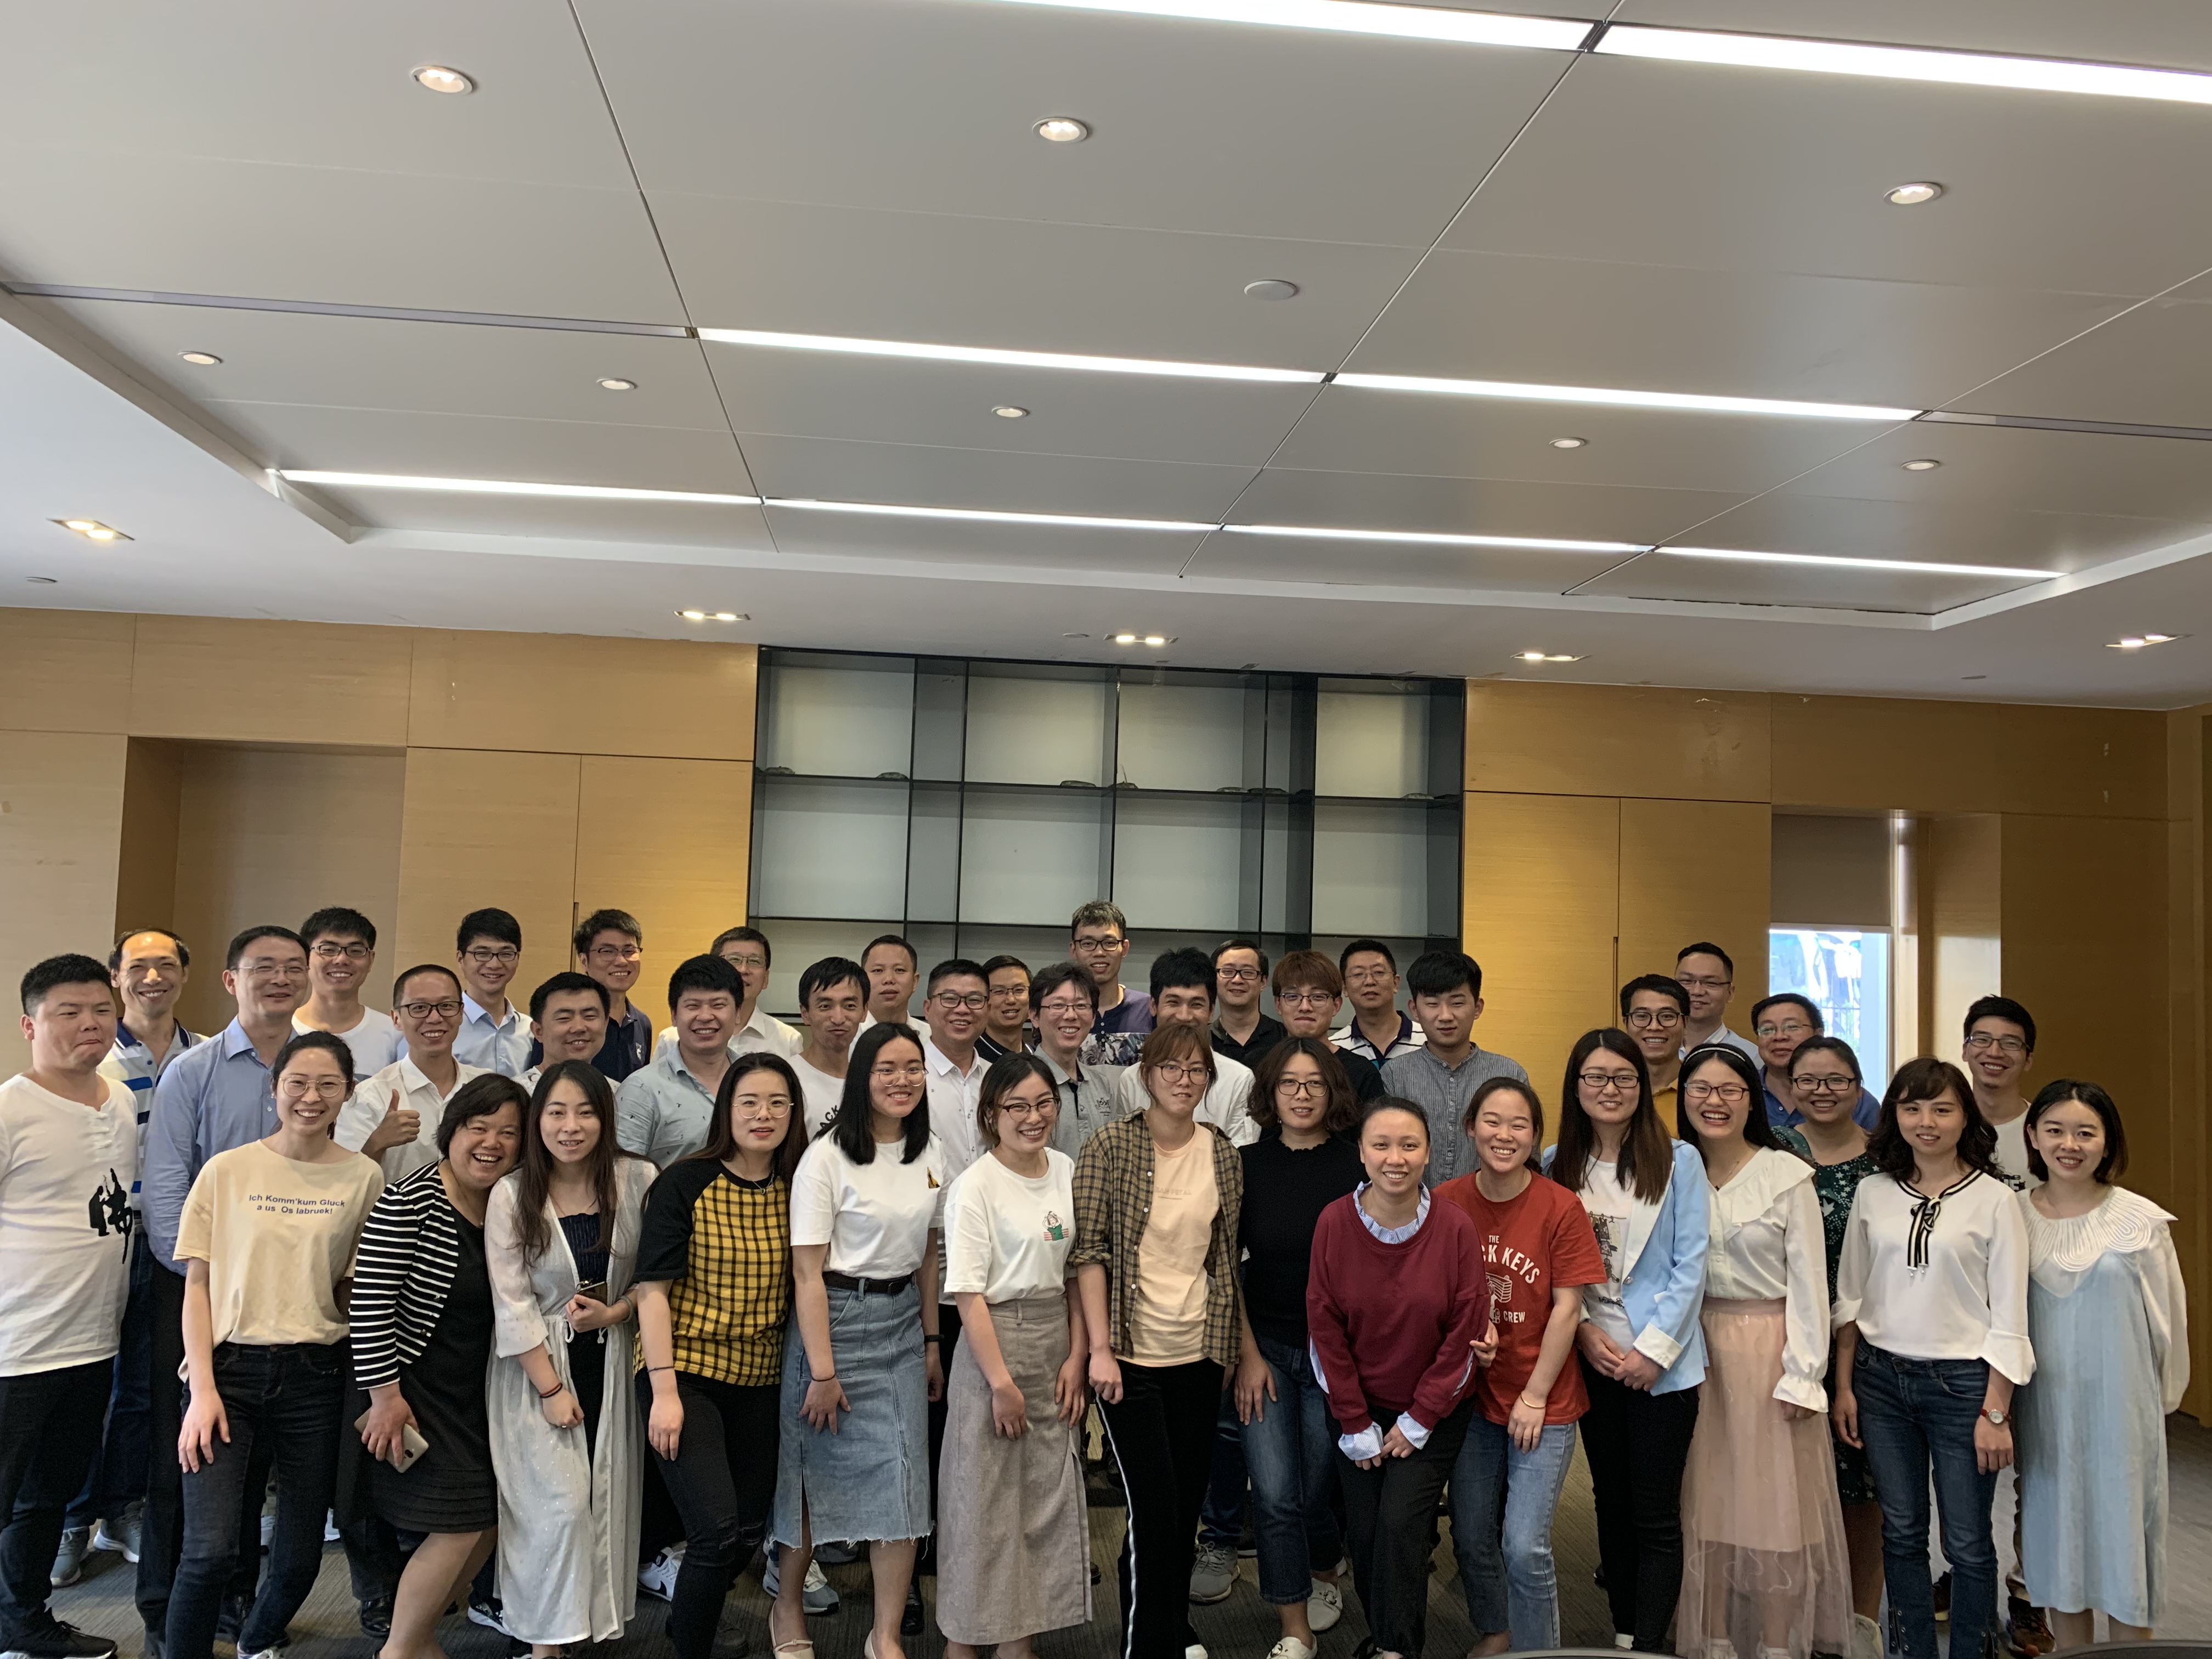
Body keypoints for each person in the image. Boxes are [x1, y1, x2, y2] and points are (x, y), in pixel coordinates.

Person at [166, 1030, 384, 1659]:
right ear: (274, 1088)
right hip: (227, 1372)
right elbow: (197, 1287)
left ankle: (256, 1641)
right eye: (298, 1083)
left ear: (347, 1094)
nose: (311, 1097)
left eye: (328, 1085)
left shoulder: (363, 1176)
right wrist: (201, 1390)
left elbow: (355, 1288)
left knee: (299, 1556)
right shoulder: (227, 1171)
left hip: (316, 1375)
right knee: (208, 1553)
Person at [139, 924, 314, 1655]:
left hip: (286, 1303)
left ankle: (236, 1600)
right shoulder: (195, 1070)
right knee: (181, 1455)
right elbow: (166, 1189)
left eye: (293, 967)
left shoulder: (318, 1067)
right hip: (197, 1292)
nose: (280, 979)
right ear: (229, 979)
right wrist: (208, 1283)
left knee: (252, 1461)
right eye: (263, 967)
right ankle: (161, 1609)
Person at [1831, 1058, 2033, 1659]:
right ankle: (1911, 1650)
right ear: (1893, 1115)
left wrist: (1996, 1410)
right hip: (1880, 1383)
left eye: (1942, 1109)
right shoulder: (1873, 1191)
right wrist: (1844, 1387)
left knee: (1968, 1542)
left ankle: (1972, 1650)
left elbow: (2010, 1315)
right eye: (1912, 1108)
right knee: (1901, 1533)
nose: (1927, 1121)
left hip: (1964, 1387)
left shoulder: (1996, 1199)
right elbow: (1851, 1298)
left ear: (1965, 1117)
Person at [771, 1022, 946, 1659]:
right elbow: (806, 1272)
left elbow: (928, 1253)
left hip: (901, 1325)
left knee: (903, 1478)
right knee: (810, 1474)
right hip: (835, 1321)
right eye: (886, 1069)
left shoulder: (930, 1151)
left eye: (912, 1068)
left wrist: (931, 1341)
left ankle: (885, 1634)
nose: (902, 1081)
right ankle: (787, 1606)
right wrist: (823, 1371)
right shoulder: (827, 1156)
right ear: (861, 1079)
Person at [1673, 1043, 1851, 1659]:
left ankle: (1777, 1644)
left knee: (1775, 1509)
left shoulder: (1785, 1174)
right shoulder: (1674, 1169)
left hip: (1770, 1349)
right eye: (1701, 1089)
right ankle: (1713, 1638)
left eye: (1730, 1090)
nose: (1714, 1102)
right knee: (1706, 1500)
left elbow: (1810, 1286)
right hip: (1692, 1352)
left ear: (1754, 1099)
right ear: (1683, 1097)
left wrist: (1804, 1374)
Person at [1073, 1023, 1244, 1659]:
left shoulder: (1222, 1152)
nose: (1183, 1080)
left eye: (1196, 1070)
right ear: (1146, 1076)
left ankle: (1170, 1630)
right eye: (1170, 1068)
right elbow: (1088, 1252)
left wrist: (1233, 1349)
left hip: (1199, 1353)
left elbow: (1225, 1258)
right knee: (1153, 1509)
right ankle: (1149, 1648)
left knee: (1183, 1507)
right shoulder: (1109, 1145)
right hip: (1128, 1357)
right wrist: (1098, 1350)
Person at [635, 1053, 808, 1659]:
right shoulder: (685, 1182)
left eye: (778, 1103)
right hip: (685, 1373)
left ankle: (690, 1618)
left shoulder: (801, 1187)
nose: (764, 1115)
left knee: (750, 1531)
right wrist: (664, 1393)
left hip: (761, 1377)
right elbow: (651, 1292)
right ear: (726, 1110)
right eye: (749, 1102)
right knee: (715, 1531)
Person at [347, 1076, 526, 1659]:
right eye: (479, 1128)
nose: (492, 1143)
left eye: (508, 1133)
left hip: (474, 1388)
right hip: (415, 1389)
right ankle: (401, 1649)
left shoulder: (506, 1202)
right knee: (461, 1521)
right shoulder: (412, 1200)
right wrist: (384, 1397)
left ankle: (420, 1637)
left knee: (492, 1517)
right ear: (451, 1132)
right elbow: (369, 1303)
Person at [1548, 1027, 1711, 1654]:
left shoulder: (1679, 1160)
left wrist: (1653, 1352)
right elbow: (1559, 1270)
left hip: (1662, 1365)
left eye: (1624, 1077)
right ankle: (1622, 1630)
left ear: (1643, 1087)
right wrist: (1585, 1332)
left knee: (1655, 1510)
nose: (1609, 1089)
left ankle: (1650, 1642)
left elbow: (1691, 1264)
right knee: (1609, 1502)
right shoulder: (1557, 1162)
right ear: (1576, 1087)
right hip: (1592, 1359)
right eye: (1596, 1077)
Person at [1306, 1098, 1488, 1659]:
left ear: (1428, 1153)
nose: (1396, 1158)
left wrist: (1420, 1419)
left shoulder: (1454, 1226)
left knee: (1399, 1526)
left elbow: (1467, 1329)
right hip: (1358, 1408)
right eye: (1381, 1145)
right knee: (1363, 1534)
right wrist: (1353, 1420)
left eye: (1410, 1145)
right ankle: (1388, 1636)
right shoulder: (1334, 1221)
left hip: (1435, 1408)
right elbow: (1323, 1328)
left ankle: (1395, 1649)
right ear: (1361, 1154)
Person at [486, 1060, 653, 1655]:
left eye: (585, 1112)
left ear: (605, 1119)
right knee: (555, 1510)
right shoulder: (512, 1192)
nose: (570, 1126)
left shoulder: (638, 1178)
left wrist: (618, 1311)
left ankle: (586, 1625)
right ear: (537, 1121)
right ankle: (544, 1645)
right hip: (538, 1368)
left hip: (612, 1358)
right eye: (556, 1112)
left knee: (603, 1498)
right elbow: (512, 1304)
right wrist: (552, 1390)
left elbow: (656, 1278)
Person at [2013, 1081, 2186, 1647]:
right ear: (2033, 1137)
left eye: (2086, 1133)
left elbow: (2168, 1323)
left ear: (2107, 1142)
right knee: (2058, 1542)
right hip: (2047, 1413)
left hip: (2123, 1412)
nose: (2070, 1145)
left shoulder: (2140, 1221)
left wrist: (2160, 1402)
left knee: (2125, 1541)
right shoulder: (2011, 1217)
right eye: (2055, 1131)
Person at [1435, 1077, 1603, 1655]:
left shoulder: (1560, 1205)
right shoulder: (1447, 1201)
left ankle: (1538, 1652)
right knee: (1471, 1535)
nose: (1504, 1135)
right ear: (1470, 1128)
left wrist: (1534, 1396)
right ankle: (1497, 1632)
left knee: (1525, 1545)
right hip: (1471, 1399)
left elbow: (1568, 1308)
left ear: (1535, 1137)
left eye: (1519, 1125)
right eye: (1492, 1121)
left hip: (1543, 1401)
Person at [2, 955, 137, 1659]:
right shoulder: (9, 1109)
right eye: (69, 1012)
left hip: (92, 1341)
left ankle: (23, 1624)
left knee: (46, 1499)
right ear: (30, 1025)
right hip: (16, 1347)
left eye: (101, 1010)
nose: (90, 1023)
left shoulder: (119, 1100)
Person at [936, 1055, 1091, 1659]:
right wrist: (1000, 1384)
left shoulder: (1065, 1169)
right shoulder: (974, 1185)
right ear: (990, 1115)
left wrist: (1078, 1355)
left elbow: (1076, 1271)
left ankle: (1017, 1642)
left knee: (1044, 1500)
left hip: (1056, 1339)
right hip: (994, 1342)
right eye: (1017, 1107)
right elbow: (967, 1294)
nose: (1033, 1117)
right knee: (983, 1505)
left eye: (1043, 1103)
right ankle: (961, 1643)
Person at [64, 931, 196, 1588]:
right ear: (117, 977)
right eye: (138, 966)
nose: (153, 977)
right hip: (102, 1241)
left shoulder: (203, 1055)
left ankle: (122, 1508)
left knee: (146, 1388)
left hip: (173, 1242)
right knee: (86, 1385)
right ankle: (72, 1519)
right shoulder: (94, 1055)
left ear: (185, 976)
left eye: (166, 965)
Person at [1231, 1039, 1362, 1659]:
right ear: (1271, 1093)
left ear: (1333, 1092)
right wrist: (1247, 1355)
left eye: (1314, 1084)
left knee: (1315, 1490)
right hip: (1266, 1349)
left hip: (1334, 1356)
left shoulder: (1357, 1165)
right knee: (1275, 1493)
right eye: (1289, 1083)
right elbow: (1224, 1265)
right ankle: (1293, 1626)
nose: (1302, 1095)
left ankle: (1324, 1566)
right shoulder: (1245, 1165)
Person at [1772, 1037, 1886, 1657]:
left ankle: (1860, 1624)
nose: (1821, 1091)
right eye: (1808, 1080)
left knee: (1863, 1488)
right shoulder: (1772, 1149)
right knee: (1789, 1483)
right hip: (1781, 1337)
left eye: (1836, 1080)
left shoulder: (1887, 1159)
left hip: (1864, 1344)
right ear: (1789, 1088)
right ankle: (1797, 1618)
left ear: (1858, 1087)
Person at [1379, 950, 1528, 1185]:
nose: (1445, 1016)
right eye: (1432, 1004)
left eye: (1457, 1003)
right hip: (1413, 1204)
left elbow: (1527, 1156)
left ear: (1477, 1007)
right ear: (1414, 1010)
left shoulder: (1509, 1074)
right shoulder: (1394, 1076)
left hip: (1489, 1203)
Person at [337, 966, 487, 1181]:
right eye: (419, 1008)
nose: (434, 1018)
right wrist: (377, 1142)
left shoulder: (484, 1087)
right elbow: (344, 1181)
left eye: (446, 1006)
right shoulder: (369, 1096)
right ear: (396, 1018)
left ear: (461, 1013)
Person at [1108, 949, 1256, 1145]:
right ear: (1153, 1005)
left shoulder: (1238, 1080)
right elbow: (1123, 1150)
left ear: (1212, 1011)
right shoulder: (1132, 1079)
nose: (1184, 1016)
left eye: (1196, 1005)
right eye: (1173, 1003)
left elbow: (1239, 1156)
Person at [618, 955, 745, 1169]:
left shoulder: (754, 1080)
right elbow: (624, 1176)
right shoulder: (641, 1089)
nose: (705, 1016)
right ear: (674, 1015)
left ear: (738, 1014)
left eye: (718, 1005)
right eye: (693, 1006)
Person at [653, 928, 799, 1064]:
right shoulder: (671, 1039)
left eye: (754, 961)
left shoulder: (787, 1040)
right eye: (734, 959)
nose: (743, 970)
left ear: (766, 978)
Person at [294, 906, 402, 1073]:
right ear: (305, 957)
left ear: (371, 960)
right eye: (328, 950)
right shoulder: (282, 1030)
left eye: (356, 951)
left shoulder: (395, 1034)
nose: (342, 959)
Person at [1268, 952, 1384, 1103]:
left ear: (1336, 1005)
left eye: (1318, 997)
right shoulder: (1262, 1065)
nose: (1305, 1007)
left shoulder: (1361, 1072)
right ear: (1278, 1005)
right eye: (1292, 996)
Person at [1753, 995, 1881, 1132]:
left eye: (1792, 1027)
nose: (1779, 1037)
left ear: (1818, 1034)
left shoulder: (1860, 1103)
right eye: (1767, 1029)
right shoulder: (1743, 1092)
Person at [1029, 963, 1121, 1154]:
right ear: (1034, 1016)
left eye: (1081, 1006)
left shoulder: (1101, 1085)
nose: (1071, 1015)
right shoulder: (1020, 1083)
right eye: (1058, 1006)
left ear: (1093, 1017)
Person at [1962, 996, 2038, 1188]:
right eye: (1982, 1040)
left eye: (2010, 1043)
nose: (1994, 1052)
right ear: (1965, 1051)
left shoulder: (2044, 1131)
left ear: (2028, 1060)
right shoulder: (1942, 1128)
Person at [572, 910, 652, 1084]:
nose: (621, 961)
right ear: (584, 961)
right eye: (607, 951)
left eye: (629, 950)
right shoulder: (569, 1021)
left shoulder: (642, 1023)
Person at [1070, 901, 1152, 1067]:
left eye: (1109, 943)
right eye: (1088, 944)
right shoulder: (1060, 1012)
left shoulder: (1148, 1009)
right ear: (1073, 950)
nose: (1099, 952)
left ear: (1125, 948)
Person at [453, 909, 531, 1077]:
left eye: (506, 954)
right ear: (461, 959)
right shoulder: (445, 1027)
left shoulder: (531, 1031)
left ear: (517, 958)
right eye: (482, 954)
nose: (494, 964)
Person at [1331, 940, 1424, 1064]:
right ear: (1345, 988)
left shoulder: (1429, 1041)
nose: (1369, 981)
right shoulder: (1333, 1050)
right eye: (1358, 974)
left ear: (1395, 983)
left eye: (1378, 972)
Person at [1619, 974, 1690, 1132]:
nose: (1654, 1027)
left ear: (1685, 1023)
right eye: (1642, 1016)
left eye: (1667, 1016)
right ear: (1626, 1023)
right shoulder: (1611, 1089)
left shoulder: (1701, 1089)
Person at [523, 973, 611, 1091]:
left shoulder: (620, 1093)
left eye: (590, 1016)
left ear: (606, 1024)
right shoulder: (516, 1095)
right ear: (538, 1031)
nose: (579, 1027)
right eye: (564, 1018)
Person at [1675, 943, 1760, 1063]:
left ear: (1730, 993)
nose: (1697, 991)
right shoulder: (1655, 1048)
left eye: (1711, 983)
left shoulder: (1751, 1057)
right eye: (1687, 981)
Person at [1209, 939, 1284, 1068]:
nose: (1237, 980)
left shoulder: (1284, 1037)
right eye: (1228, 971)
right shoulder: (1201, 1041)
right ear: (1213, 979)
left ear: (1263, 982)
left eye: (1248, 972)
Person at [975, 955, 1031, 1062]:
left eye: (1019, 990)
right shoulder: (970, 1058)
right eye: (999, 991)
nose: (1011, 1000)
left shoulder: (1037, 1058)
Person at [860, 935, 920, 1030]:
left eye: (899, 970)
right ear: (862, 980)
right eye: (878, 970)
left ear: (915, 981)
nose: (889, 979)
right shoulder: (846, 1036)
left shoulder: (933, 1036)